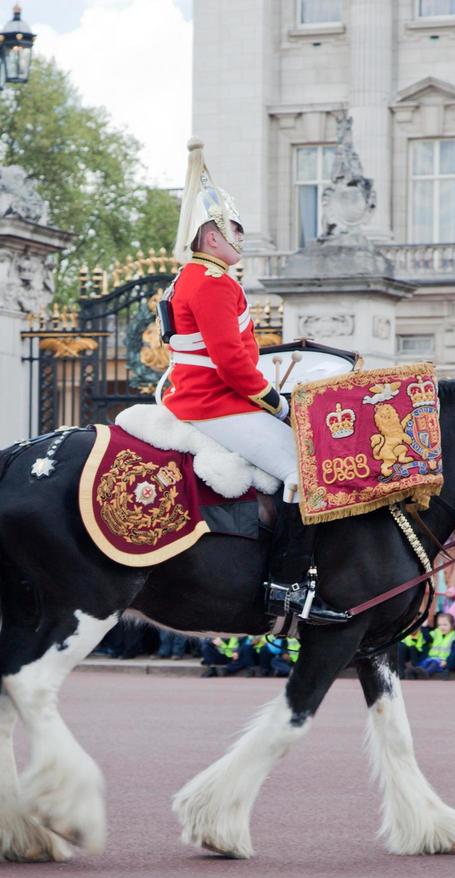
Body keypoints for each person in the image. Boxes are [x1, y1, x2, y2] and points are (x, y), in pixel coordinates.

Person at [161, 138, 344, 625]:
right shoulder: (214, 282)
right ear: (211, 235)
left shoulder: (195, 277)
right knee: (306, 475)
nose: (241, 236)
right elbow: (231, 365)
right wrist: (277, 405)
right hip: (214, 402)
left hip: (210, 395)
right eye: (234, 228)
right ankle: (287, 589)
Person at [407, 612, 455, 679]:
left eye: (445, 625)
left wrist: (446, 662)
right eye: (440, 625)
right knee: (424, 664)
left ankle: (426, 673)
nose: (442, 627)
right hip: (431, 658)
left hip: (442, 661)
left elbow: (454, 652)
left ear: (452, 625)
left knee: (434, 664)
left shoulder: (454, 635)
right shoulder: (436, 632)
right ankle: (414, 672)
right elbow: (427, 638)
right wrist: (424, 627)